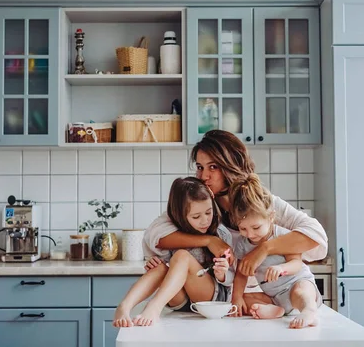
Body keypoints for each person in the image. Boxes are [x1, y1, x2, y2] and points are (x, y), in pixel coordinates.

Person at [143, 130, 328, 315]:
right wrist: (209, 241)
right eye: (200, 167)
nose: (203, 176)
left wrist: (263, 249)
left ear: (231, 165)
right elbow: (156, 235)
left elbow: (316, 236)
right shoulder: (201, 203)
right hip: (218, 299)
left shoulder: (260, 202)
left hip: (261, 296)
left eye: (213, 167)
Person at [113, 177, 234, 327]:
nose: (205, 221)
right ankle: (124, 306)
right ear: (181, 215)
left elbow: (232, 279)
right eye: (196, 216)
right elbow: (160, 259)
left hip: (210, 299)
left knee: (182, 255)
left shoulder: (221, 234)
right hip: (179, 300)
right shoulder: (172, 231)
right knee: (161, 265)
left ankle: (154, 306)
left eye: (209, 212)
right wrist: (154, 262)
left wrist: (222, 273)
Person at [229, 174, 321, 329]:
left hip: (295, 283)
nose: (250, 234)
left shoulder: (282, 235)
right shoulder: (243, 245)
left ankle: (308, 311)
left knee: (301, 292)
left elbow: (297, 263)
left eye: (256, 227)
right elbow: (241, 274)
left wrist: (281, 268)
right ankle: (277, 310)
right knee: (245, 300)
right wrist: (236, 298)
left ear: (271, 217)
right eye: (242, 228)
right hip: (273, 297)